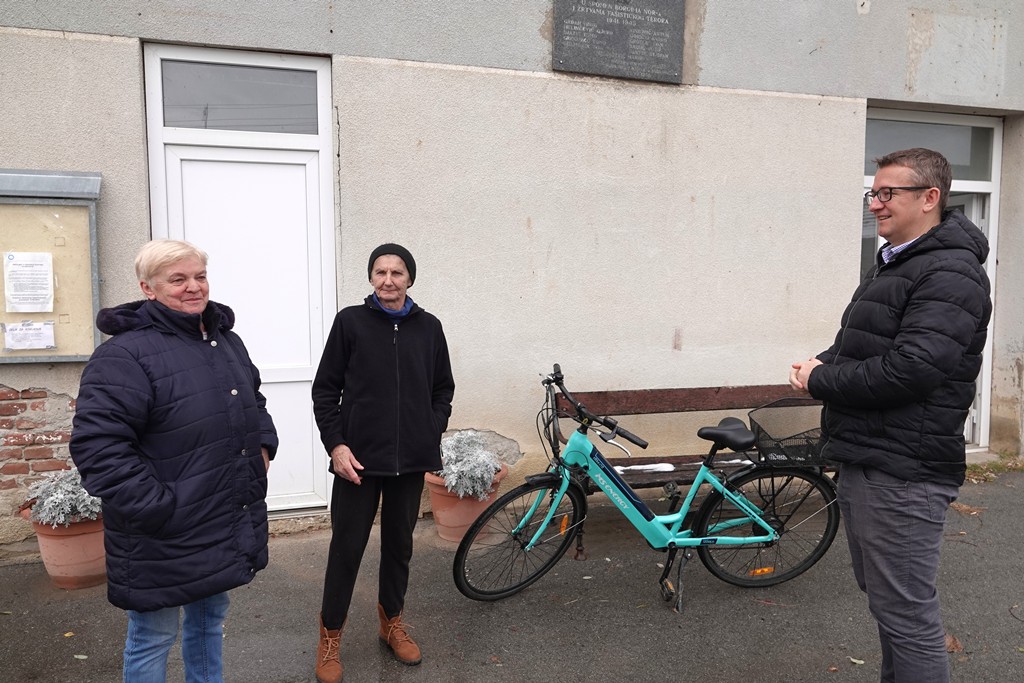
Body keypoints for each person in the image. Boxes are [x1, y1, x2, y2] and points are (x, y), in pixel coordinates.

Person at [789, 148, 991, 683]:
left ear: (929, 198)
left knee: (907, 617)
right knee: (891, 609)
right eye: (872, 193)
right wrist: (820, 363)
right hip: (872, 458)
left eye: (887, 193)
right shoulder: (899, 263)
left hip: (904, 471)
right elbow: (864, 346)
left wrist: (821, 380)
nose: (875, 204)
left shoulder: (950, 272)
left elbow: (912, 369)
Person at [70, 239, 278, 682]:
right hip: (161, 533)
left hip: (220, 519)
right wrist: (159, 508)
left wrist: (262, 448)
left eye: (199, 276)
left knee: (209, 623)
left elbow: (253, 401)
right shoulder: (123, 355)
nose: (193, 287)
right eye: (178, 279)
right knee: (153, 635)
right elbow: (99, 448)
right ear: (148, 288)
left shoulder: (225, 341)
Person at [311, 243, 454, 683]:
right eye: (380, 272)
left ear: (410, 278)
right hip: (357, 462)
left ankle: (391, 622)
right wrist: (337, 446)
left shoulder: (429, 328)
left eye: (397, 272)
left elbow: (442, 390)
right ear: (371, 277)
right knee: (347, 548)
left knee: (399, 547)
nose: (388, 280)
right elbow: (325, 390)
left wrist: (430, 429)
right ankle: (330, 636)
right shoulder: (350, 323)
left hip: (409, 462)